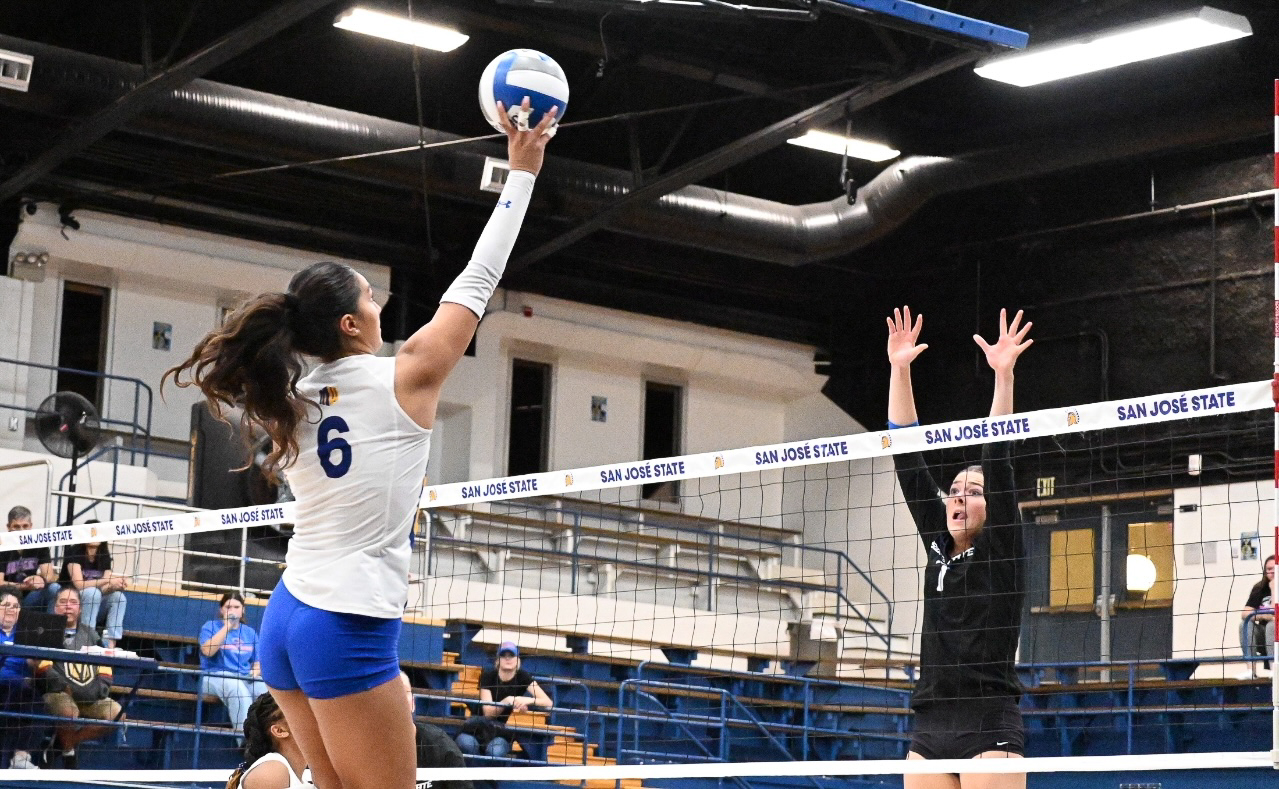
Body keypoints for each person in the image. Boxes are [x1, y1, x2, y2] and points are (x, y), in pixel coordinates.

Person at [163, 97, 556, 789]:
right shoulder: (403, 379)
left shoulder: (292, 399)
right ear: (349, 323)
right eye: (372, 298)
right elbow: (476, 279)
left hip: (288, 614)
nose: (381, 306)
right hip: (344, 622)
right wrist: (521, 172)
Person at [886, 306, 1033, 789]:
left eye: (972, 492)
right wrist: (899, 369)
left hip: (988, 719)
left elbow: (999, 453)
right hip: (930, 723)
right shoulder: (937, 541)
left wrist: (1003, 376)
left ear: (992, 508)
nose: (958, 498)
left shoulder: (1002, 550)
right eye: (954, 490)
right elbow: (907, 455)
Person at [36, 586, 123, 768]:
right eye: (63, 602)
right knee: (69, 712)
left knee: (118, 714)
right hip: (59, 693)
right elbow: (42, 667)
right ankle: (69, 755)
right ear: (55, 607)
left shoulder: (91, 634)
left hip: (91, 695)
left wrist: (98, 690)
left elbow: (105, 668)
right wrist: (64, 687)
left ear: (81, 609)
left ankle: (63, 745)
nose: (68, 606)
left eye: (73, 602)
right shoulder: (45, 630)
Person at [455, 642, 551, 758]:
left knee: (495, 752)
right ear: (498, 659)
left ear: (517, 659)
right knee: (467, 745)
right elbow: (488, 713)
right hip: (476, 728)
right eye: (503, 655)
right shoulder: (488, 676)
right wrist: (507, 701)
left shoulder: (523, 677)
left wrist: (527, 700)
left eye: (511, 655)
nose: (507, 659)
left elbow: (548, 703)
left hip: (501, 733)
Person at [199, 592, 268, 737]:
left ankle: (266, 741)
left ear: (243, 610)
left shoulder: (249, 633)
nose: (232, 610)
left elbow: (258, 663)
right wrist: (227, 627)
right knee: (237, 689)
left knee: (265, 691)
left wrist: (254, 672)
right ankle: (245, 740)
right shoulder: (210, 626)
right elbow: (208, 651)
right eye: (228, 607)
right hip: (213, 676)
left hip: (244, 676)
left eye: (236, 607)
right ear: (221, 610)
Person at [399, 672, 472, 789]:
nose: (398, 699)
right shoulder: (368, 750)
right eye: (392, 694)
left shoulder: (442, 746)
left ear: (413, 703)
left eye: (403, 692)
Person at [57, 533, 128, 648]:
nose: (95, 536)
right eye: (91, 533)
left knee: (118, 597)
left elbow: (103, 589)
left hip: (94, 602)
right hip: (73, 601)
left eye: (98, 533)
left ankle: (111, 642)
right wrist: (107, 580)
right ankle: (86, 640)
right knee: (92, 593)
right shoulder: (74, 552)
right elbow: (79, 584)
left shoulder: (104, 555)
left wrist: (114, 586)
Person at [225, 692, 308, 789]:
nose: (314, 715)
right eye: (303, 710)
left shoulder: (298, 777)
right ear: (279, 730)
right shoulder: (271, 772)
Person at [0, 586, 44, 769]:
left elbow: (32, 666)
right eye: (6, 604)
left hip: (20, 688)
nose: (11, 609)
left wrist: (35, 662)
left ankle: (21, 757)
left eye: (16, 606)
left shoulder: (28, 632)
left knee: (36, 701)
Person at [0, 506, 60, 611]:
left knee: (54, 588)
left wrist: (40, 578)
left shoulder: (39, 544)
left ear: (31, 526)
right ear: (8, 527)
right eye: (16, 527)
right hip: (5, 598)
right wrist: (26, 586)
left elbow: (49, 576)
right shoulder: (2, 546)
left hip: (29, 597)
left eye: (25, 526)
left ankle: (52, 626)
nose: (21, 530)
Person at [1240, 555, 1275, 671]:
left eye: (1275, 567)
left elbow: (1275, 612)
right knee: (1244, 625)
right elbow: (1245, 613)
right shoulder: (1259, 588)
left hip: (1275, 631)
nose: (1272, 571)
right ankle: (1251, 670)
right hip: (1264, 634)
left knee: (1272, 625)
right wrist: (1264, 616)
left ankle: (1274, 670)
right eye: (1269, 569)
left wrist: (1274, 589)